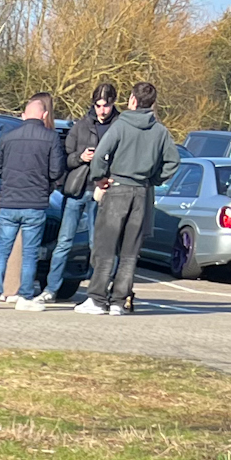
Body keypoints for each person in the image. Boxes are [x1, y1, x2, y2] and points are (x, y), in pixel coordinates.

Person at [81, 79, 178, 315]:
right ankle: (118, 302)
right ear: (152, 103)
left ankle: (97, 299)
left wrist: (99, 178)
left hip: (117, 188)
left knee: (105, 248)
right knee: (130, 252)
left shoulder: (121, 125)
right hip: (141, 193)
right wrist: (153, 179)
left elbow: (100, 155)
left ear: (132, 100)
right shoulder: (160, 131)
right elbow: (173, 161)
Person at [0, 94, 62, 308]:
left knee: (2, 251)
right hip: (35, 202)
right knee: (29, 253)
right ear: (45, 115)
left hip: (9, 200)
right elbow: (56, 171)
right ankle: (25, 297)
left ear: (23, 115)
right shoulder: (51, 138)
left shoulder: (8, 137)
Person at [48, 82, 116, 305]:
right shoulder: (81, 125)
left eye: (106, 105)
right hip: (77, 190)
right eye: (98, 105)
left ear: (113, 104)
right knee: (64, 242)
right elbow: (65, 158)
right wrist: (80, 157)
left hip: (103, 191)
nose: (102, 110)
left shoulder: (119, 126)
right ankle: (51, 289)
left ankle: (98, 292)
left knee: (98, 245)